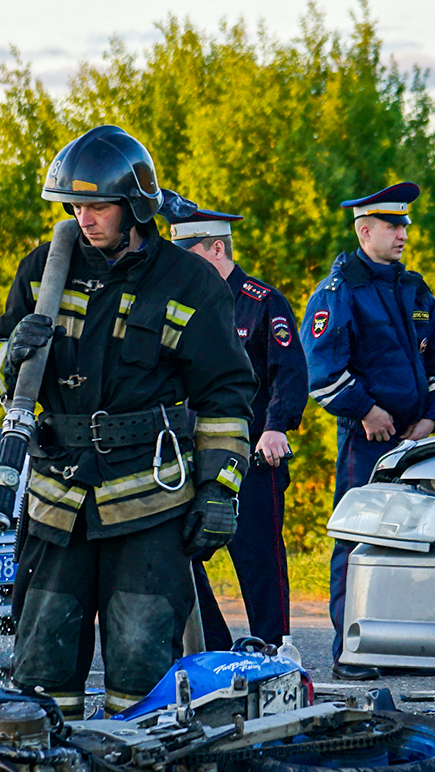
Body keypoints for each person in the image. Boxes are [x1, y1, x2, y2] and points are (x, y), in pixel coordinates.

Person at [0, 125, 257, 720]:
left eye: (98, 206)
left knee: (141, 671)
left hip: (148, 505)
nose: (85, 219)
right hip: (57, 504)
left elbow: (226, 397)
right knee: (41, 672)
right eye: (76, 207)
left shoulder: (190, 283)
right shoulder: (42, 269)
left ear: (136, 206)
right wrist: (12, 355)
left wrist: (221, 492)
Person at [302, 182, 435, 680]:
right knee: (357, 542)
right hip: (365, 442)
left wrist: (431, 420)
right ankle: (349, 651)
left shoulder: (413, 288)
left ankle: (403, 647)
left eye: (404, 226)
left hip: (416, 440)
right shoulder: (339, 291)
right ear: (364, 229)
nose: (403, 235)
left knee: (418, 541)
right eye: (393, 226)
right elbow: (322, 373)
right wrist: (369, 410)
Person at [172, 205, 306, 649]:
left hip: (252, 457)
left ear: (216, 247)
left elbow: (288, 372)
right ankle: (214, 646)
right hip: (194, 456)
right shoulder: (183, 304)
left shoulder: (262, 302)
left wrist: (277, 427)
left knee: (259, 560)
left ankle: (273, 650)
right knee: (178, 552)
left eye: (189, 252)